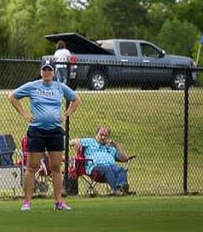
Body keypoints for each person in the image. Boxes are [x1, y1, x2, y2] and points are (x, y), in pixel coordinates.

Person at [9, 60, 81, 211]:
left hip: (55, 131)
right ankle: (27, 202)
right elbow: (12, 96)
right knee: (32, 167)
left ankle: (58, 202)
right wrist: (24, 114)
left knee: (56, 167)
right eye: (44, 70)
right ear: (41, 72)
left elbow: (76, 99)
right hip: (36, 131)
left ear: (54, 72)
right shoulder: (33, 86)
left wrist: (67, 114)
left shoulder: (60, 87)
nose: (47, 72)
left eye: (50, 70)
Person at [79, 126, 134, 195]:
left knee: (121, 169)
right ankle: (116, 190)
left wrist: (116, 146)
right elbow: (72, 142)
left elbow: (125, 159)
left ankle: (122, 188)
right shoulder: (90, 142)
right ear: (96, 135)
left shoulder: (110, 147)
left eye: (106, 136)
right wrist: (76, 145)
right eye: (101, 135)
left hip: (112, 167)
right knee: (108, 169)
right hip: (95, 169)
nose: (103, 137)